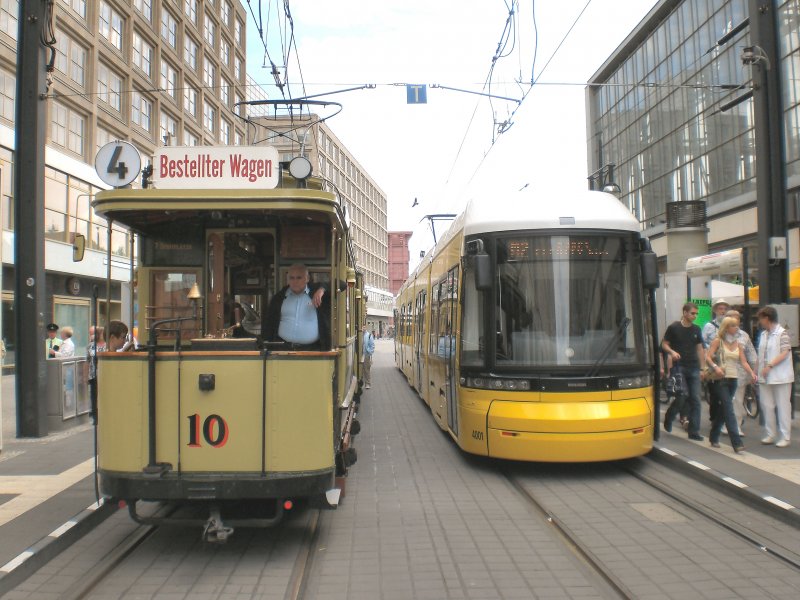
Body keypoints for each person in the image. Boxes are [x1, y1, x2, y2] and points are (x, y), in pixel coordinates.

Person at [704, 316, 754, 453]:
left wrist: (752, 373)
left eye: (737, 325)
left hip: (733, 379)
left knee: (723, 408)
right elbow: (708, 357)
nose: (736, 328)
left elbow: (743, 361)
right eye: (733, 326)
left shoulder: (738, 343)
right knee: (728, 408)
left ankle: (713, 436)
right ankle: (737, 443)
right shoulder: (717, 341)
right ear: (726, 328)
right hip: (720, 379)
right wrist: (716, 367)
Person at [662, 302, 705, 441]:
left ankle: (694, 431)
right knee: (681, 397)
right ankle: (670, 416)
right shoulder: (674, 327)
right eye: (693, 313)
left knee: (696, 399)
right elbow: (664, 344)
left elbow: (700, 349)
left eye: (696, 313)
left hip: (693, 367)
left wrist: (702, 368)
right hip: (679, 366)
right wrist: (672, 352)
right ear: (685, 313)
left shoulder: (697, 329)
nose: (695, 316)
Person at [265, 264, 330, 350]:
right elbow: (269, 324)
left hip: (312, 350)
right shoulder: (278, 298)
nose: (295, 281)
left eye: (299, 278)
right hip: (283, 349)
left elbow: (342, 284)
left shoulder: (317, 294)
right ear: (288, 279)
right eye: (292, 278)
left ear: (307, 278)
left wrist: (322, 289)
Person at [756, 306, 793, 448]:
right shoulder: (764, 334)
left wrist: (770, 366)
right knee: (767, 405)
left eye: (760, 318)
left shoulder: (782, 333)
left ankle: (785, 436)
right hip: (765, 376)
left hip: (780, 376)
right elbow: (761, 354)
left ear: (767, 318)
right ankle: (770, 433)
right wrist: (756, 371)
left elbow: (785, 352)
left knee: (783, 405)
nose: (760, 322)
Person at [725, 309, 757, 435]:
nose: (735, 320)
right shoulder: (721, 334)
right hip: (723, 373)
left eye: (737, 318)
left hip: (739, 374)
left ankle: (736, 426)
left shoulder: (744, 336)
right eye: (731, 318)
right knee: (725, 400)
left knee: (737, 400)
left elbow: (751, 354)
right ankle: (723, 423)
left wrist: (754, 371)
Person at [87, 326, 106, 425]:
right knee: (94, 396)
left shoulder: (107, 345)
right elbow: (88, 360)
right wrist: (85, 375)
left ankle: (104, 415)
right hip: (93, 374)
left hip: (105, 375)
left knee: (103, 395)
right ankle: (95, 417)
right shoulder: (91, 345)